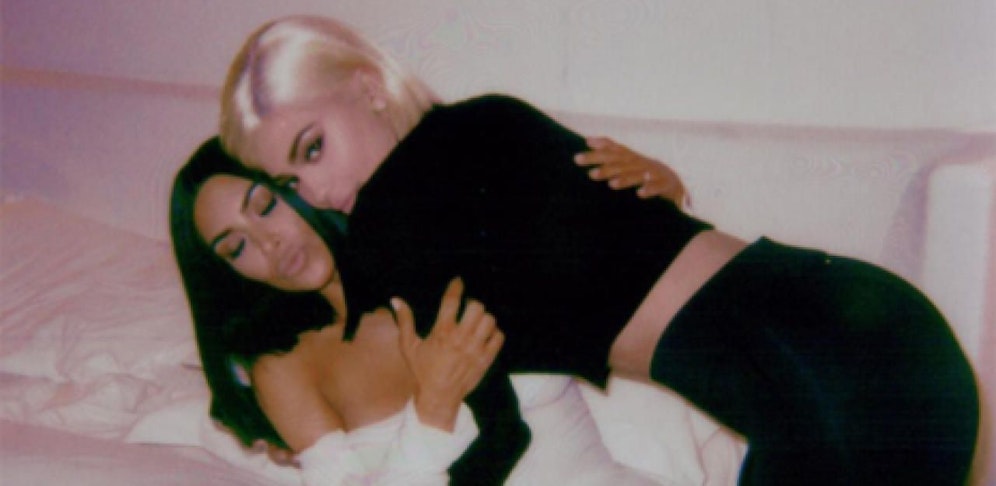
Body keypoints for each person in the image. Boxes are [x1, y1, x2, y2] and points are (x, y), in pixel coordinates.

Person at [217, 14, 981, 485]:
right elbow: (628, 246)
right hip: (879, 331)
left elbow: (501, 434)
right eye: (288, 180)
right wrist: (666, 190)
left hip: (820, 380)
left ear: (367, 88)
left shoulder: (389, 223)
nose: (315, 192)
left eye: (312, 148)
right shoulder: (494, 119)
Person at [170, 137, 678, 484]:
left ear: (299, 182)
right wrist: (434, 406)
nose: (268, 244)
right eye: (235, 248)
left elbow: (630, 295)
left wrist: (660, 198)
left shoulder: (454, 252)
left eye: (264, 206)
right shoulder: (286, 365)